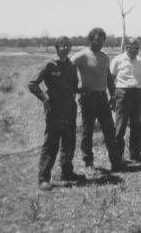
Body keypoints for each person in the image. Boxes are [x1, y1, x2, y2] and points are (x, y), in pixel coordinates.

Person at [29, 36, 84, 191]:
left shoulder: (72, 66)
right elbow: (32, 84)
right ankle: (43, 178)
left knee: (69, 141)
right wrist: (44, 98)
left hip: (69, 109)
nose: (65, 48)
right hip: (54, 109)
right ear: (57, 48)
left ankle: (67, 172)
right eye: (62, 45)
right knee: (51, 144)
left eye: (68, 46)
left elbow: (74, 86)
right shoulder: (49, 64)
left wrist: (82, 91)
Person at [70, 27, 120, 177]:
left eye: (102, 41)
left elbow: (109, 78)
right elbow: (67, 70)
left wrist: (113, 96)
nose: (99, 43)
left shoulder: (104, 57)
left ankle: (116, 162)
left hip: (102, 98)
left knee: (110, 130)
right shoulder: (81, 55)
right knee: (88, 131)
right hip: (88, 98)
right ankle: (88, 162)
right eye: (97, 40)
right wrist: (77, 89)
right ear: (90, 39)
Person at [110, 38, 141, 162]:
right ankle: (117, 157)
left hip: (137, 94)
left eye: (137, 49)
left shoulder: (140, 61)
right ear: (127, 48)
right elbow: (111, 79)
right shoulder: (118, 60)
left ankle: (135, 153)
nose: (135, 51)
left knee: (136, 126)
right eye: (133, 48)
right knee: (120, 127)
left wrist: (140, 91)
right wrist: (113, 97)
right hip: (122, 94)